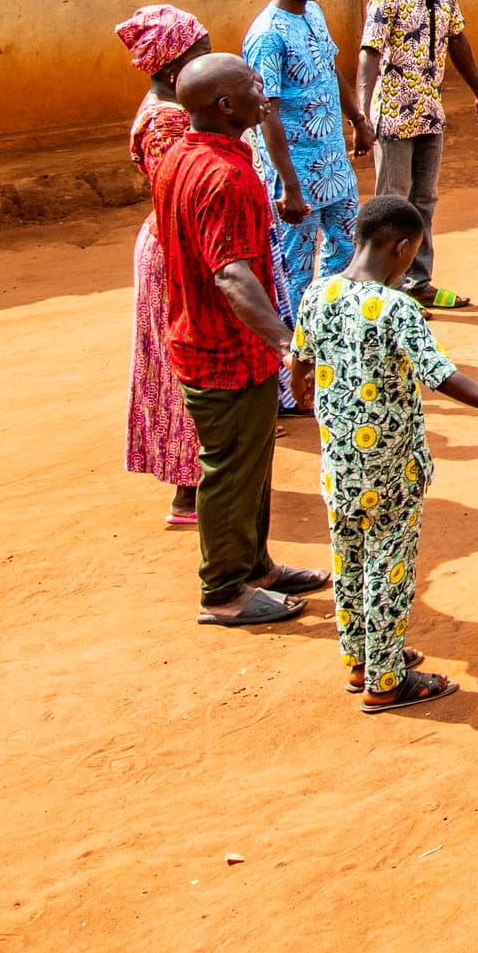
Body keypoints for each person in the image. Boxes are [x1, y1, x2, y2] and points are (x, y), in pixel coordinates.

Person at [298, 196, 478, 711]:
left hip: (339, 464)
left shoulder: (317, 293)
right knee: (389, 564)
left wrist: (314, 392)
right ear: (401, 248)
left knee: (349, 558)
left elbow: (300, 365)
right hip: (390, 467)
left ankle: (360, 659)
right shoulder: (397, 307)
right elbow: (442, 376)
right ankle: (387, 679)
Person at [153, 52, 332, 627]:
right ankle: (224, 591)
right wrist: (288, 346)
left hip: (213, 338)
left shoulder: (188, 156)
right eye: (252, 87)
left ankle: (255, 566)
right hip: (220, 347)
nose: (263, 92)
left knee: (251, 459)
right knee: (230, 467)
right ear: (225, 106)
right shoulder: (223, 176)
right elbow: (231, 272)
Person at [356, 0, 478, 311]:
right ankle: (386, 289)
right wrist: (364, 114)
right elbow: (369, 52)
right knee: (393, 202)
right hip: (394, 117)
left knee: (425, 200)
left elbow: (457, 40)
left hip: (430, 114)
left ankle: (418, 282)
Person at [114, 2, 210, 527]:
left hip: (175, 242)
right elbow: (181, 193)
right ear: (175, 67)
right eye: (200, 52)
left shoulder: (170, 111)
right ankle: (188, 491)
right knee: (183, 363)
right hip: (177, 247)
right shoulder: (166, 122)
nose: (209, 59)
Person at [246, 0, 364, 348]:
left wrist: (358, 120)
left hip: (334, 164)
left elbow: (331, 70)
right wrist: (289, 186)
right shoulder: (267, 36)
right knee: (296, 267)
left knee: (348, 250)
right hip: (295, 173)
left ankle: (336, 336)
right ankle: (302, 356)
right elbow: (267, 114)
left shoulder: (314, 13)